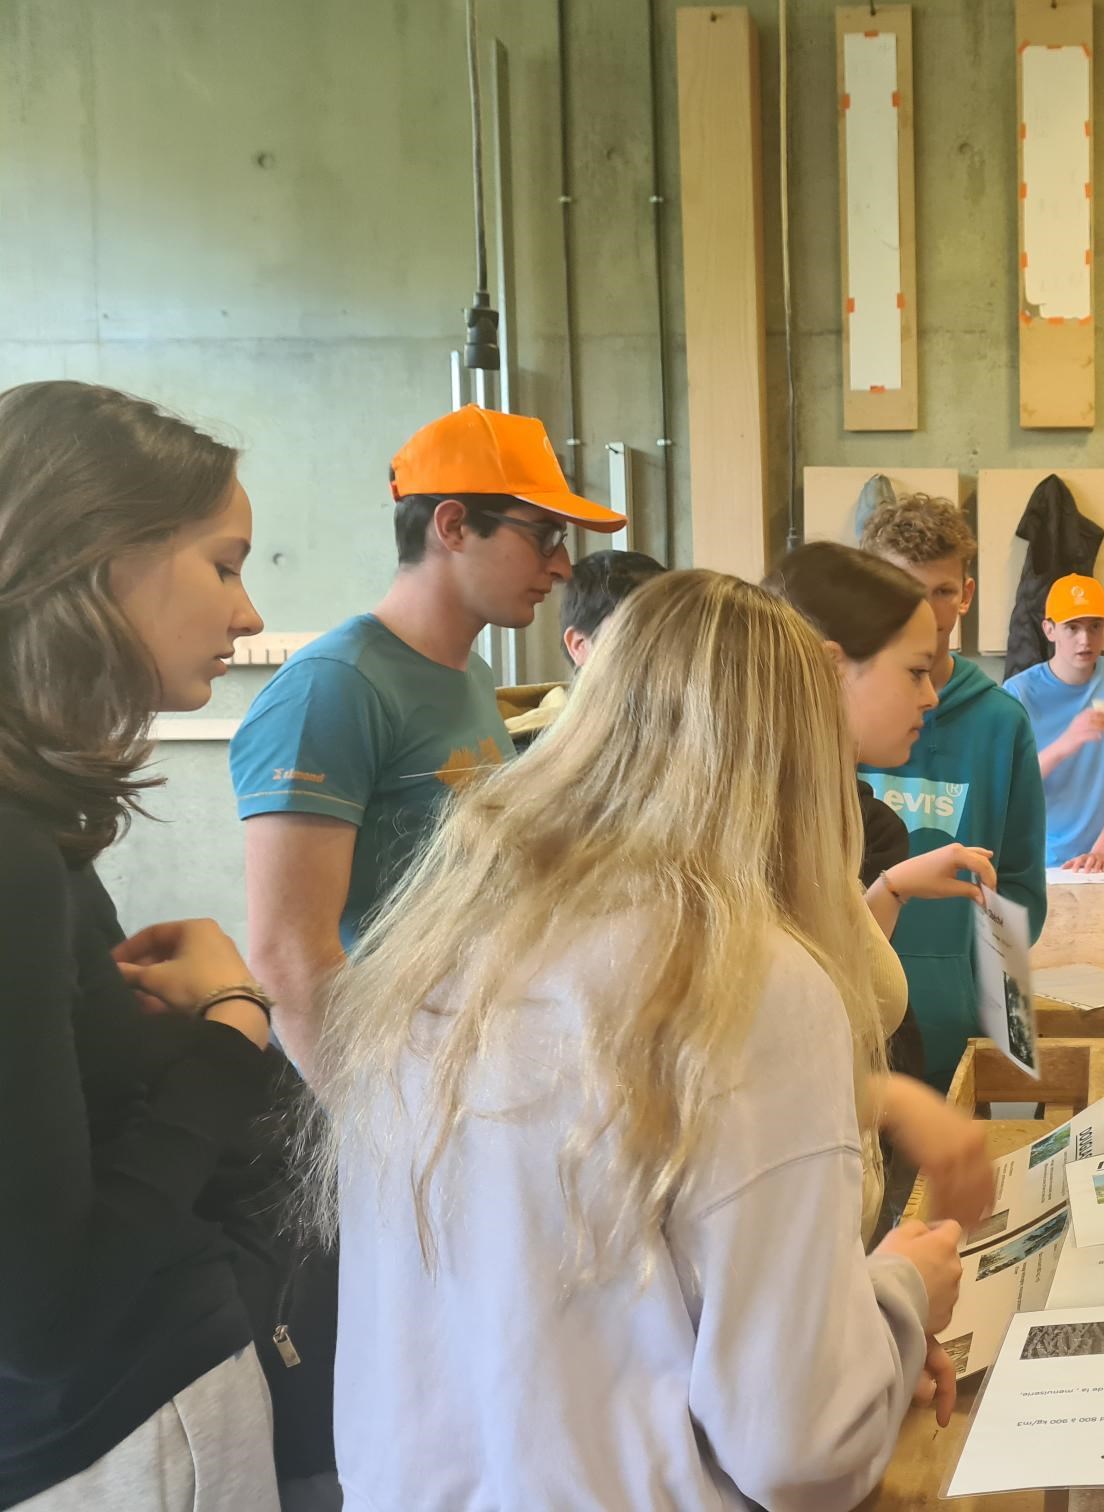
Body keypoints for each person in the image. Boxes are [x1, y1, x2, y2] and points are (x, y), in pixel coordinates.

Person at [302, 570, 965, 1509]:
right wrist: (901, 1296)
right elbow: (797, 1443)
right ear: (800, 763)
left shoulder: (443, 937)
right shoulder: (753, 979)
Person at [0, 381, 279, 1509]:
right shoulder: (16, 857)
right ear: (107, 558)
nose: (250, 613)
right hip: (123, 1436)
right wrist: (232, 1030)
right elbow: (49, 1314)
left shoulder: (40, 846)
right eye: (224, 565)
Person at [229, 405, 626, 1071]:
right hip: (380, 1079)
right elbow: (289, 957)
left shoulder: (474, 674)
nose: (561, 568)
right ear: (453, 525)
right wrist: (368, 1133)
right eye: (544, 535)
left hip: (458, 1064)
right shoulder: (333, 687)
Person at [766, 541, 1002, 1227]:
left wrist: (888, 892)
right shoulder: (767, 828)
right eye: (915, 673)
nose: (931, 697)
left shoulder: (827, 811)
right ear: (835, 669)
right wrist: (889, 1099)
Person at [857, 493, 1050, 1088]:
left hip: (955, 1030)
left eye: (942, 591)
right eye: (901, 587)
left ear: (965, 595)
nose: (926, 610)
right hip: (852, 1021)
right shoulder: (838, 716)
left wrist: (989, 1009)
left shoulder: (1000, 722)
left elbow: (1017, 887)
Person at [1004, 574, 1104, 871]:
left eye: (1094, 627)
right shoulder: (1018, 692)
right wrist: (1067, 742)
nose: (1084, 640)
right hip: (1042, 862)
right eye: (1072, 628)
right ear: (1049, 630)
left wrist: (1103, 850)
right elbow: (1012, 784)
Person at [497, 547, 667, 747]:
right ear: (579, 646)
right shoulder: (535, 753)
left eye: (672, 632)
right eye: (635, 635)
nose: (661, 650)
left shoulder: (692, 733)